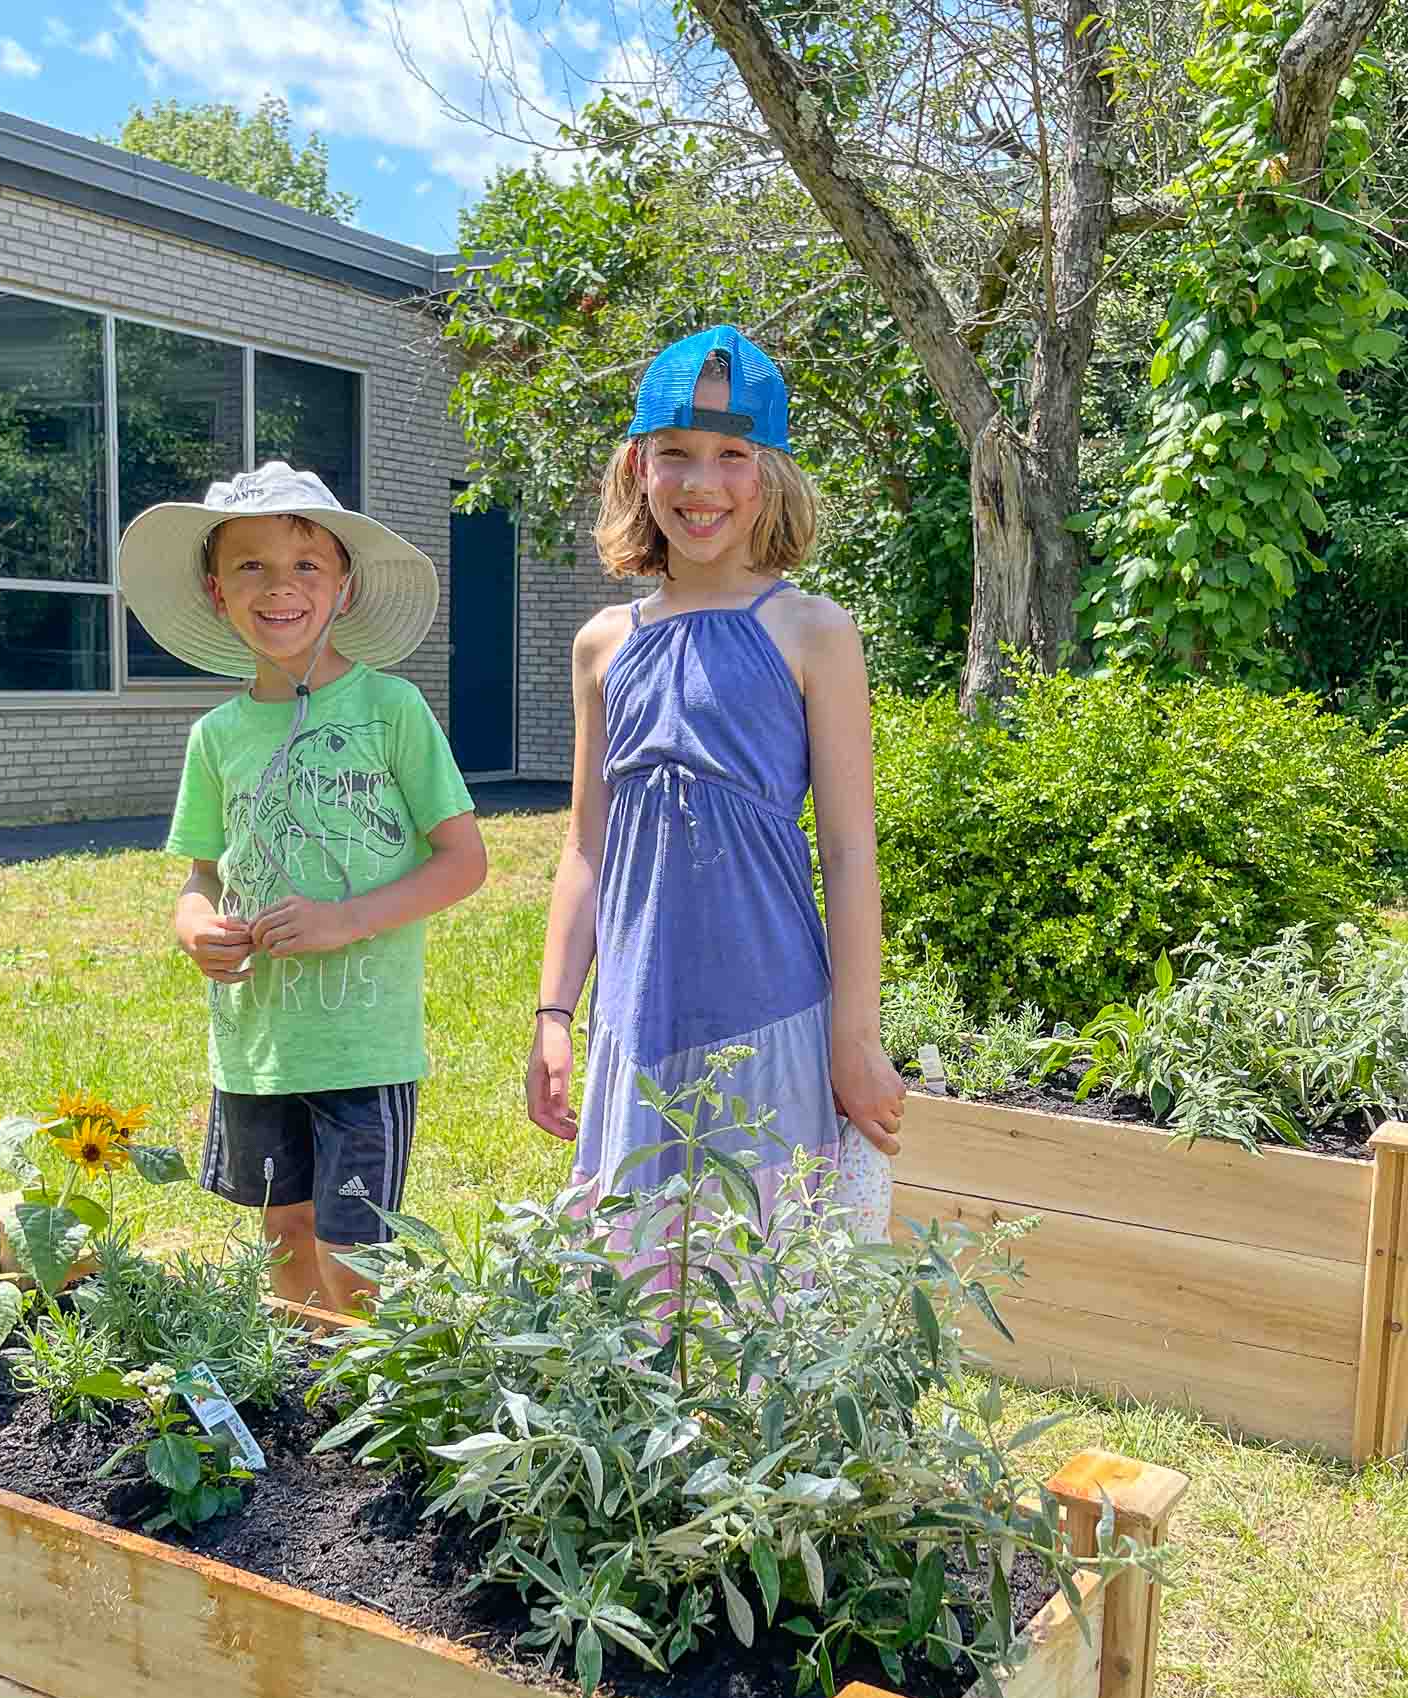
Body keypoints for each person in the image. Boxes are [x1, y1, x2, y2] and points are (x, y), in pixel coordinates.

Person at [526, 325, 903, 1232]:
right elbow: (586, 848)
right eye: (676, 455)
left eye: (732, 455)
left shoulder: (814, 632)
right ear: (637, 466)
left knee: (767, 1296)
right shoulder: (602, 645)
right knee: (638, 1293)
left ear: (770, 471)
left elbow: (850, 852)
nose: (702, 484)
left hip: (773, 1017)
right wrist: (553, 1013)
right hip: (637, 1016)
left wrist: (855, 1039)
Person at [119, 463, 486, 1312]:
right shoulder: (217, 735)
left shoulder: (392, 710)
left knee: (355, 1251)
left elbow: (464, 860)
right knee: (282, 1232)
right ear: (216, 591)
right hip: (258, 1047)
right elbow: (202, 872)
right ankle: (302, 1404)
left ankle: (362, 1407)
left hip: (363, 1044)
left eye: (305, 566)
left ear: (344, 587)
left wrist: (346, 919)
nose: (279, 587)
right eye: (251, 565)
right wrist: (195, 926)